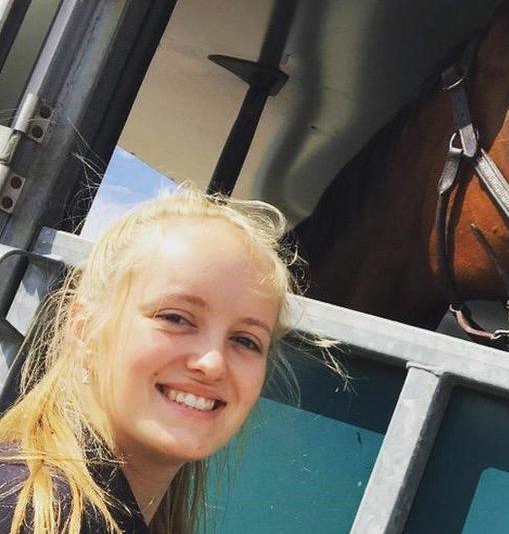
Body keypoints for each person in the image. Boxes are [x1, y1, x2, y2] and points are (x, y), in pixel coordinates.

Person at [0, 188, 330, 533]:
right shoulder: (29, 511)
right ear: (85, 330)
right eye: (176, 318)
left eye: (246, 341)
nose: (213, 362)